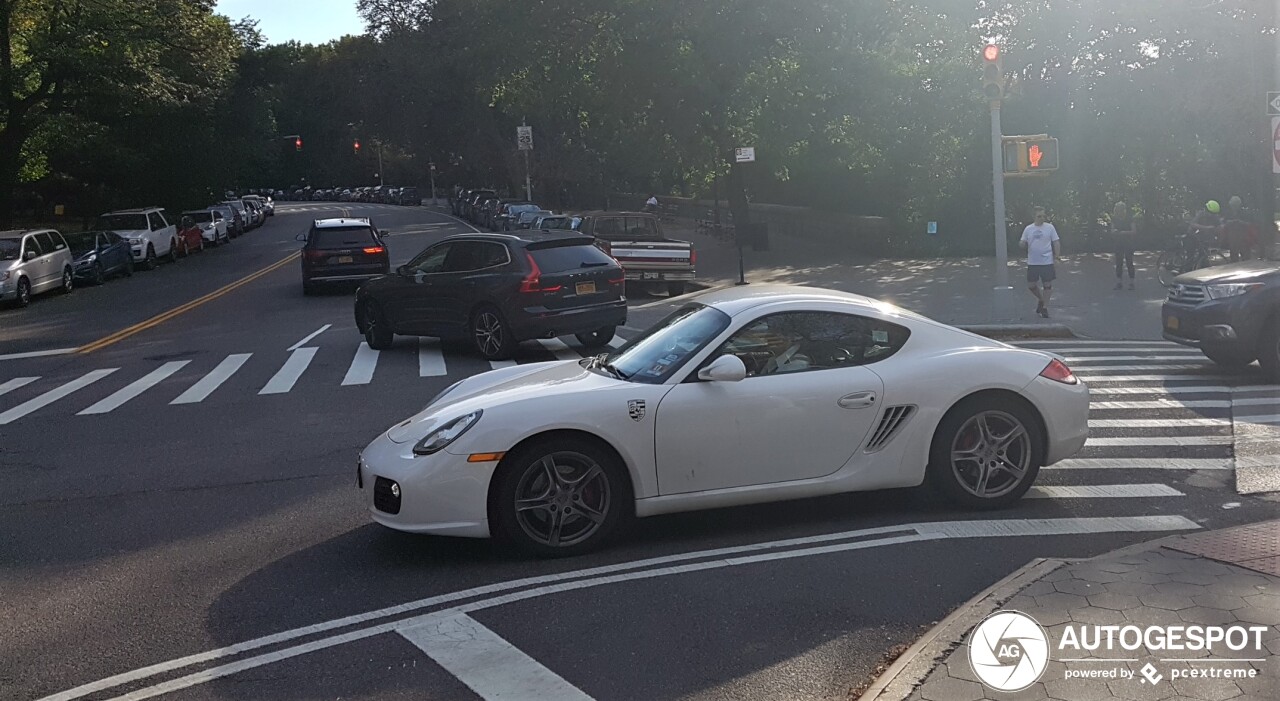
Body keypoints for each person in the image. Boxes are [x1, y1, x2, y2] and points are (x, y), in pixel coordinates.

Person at [1020, 206, 1061, 318]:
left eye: (1043, 216)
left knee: (1047, 284)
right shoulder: (1028, 229)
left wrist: (1057, 257)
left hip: (1046, 261)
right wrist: (1022, 244)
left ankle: (1045, 308)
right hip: (1033, 261)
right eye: (1039, 216)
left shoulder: (1050, 228)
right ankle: (1041, 299)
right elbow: (1022, 241)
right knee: (1031, 285)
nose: (1042, 218)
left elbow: (1056, 242)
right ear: (1034, 216)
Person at [1110, 201, 1136, 290]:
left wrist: (1124, 232)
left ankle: (1131, 282)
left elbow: (1134, 231)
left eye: (1120, 210)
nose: (1119, 212)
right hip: (1118, 243)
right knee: (1119, 263)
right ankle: (1119, 281)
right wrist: (1114, 232)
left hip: (1128, 243)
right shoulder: (1114, 219)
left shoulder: (1129, 219)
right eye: (1117, 210)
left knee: (1129, 262)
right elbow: (1112, 230)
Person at [1223, 195, 1253, 261]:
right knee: (1233, 255)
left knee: (1245, 256)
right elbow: (1224, 223)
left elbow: (1249, 224)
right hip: (1232, 237)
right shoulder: (1228, 213)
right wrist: (1230, 222)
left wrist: (1240, 222)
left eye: (1236, 205)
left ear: (1239, 204)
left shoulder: (1244, 213)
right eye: (1233, 205)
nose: (1234, 207)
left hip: (1243, 237)